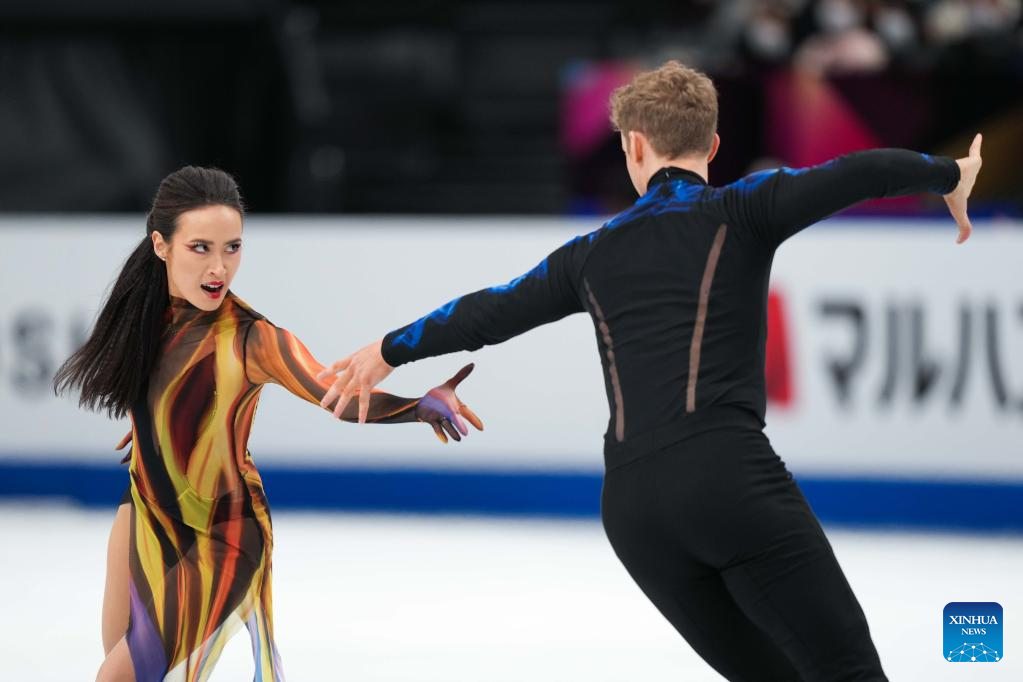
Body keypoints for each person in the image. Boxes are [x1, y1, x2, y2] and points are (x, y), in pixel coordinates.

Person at [316, 61, 982, 681]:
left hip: (635, 514)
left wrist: (388, 349)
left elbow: (490, 311)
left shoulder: (588, 254)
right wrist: (950, 174)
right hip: (729, 485)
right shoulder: (742, 208)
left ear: (633, 147)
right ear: (714, 146)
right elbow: (860, 172)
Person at [54, 166, 483, 682]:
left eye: (232, 247)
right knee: (121, 666)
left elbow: (336, 395)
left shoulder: (253, 338)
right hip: (146, 507)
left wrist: (418, 406)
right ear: (161, 245)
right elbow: (166, 392)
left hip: (223, 532)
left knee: (116, 678)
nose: (219, 267)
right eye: (201, 248)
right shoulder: (146, 313)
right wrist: (162, 429)